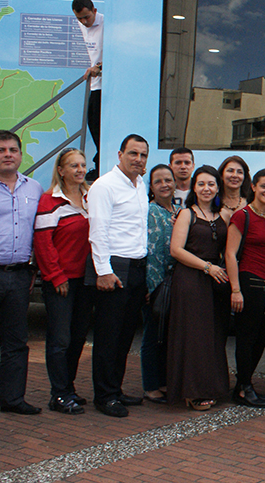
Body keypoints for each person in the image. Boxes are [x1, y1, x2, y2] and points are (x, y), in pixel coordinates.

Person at [87, 134, 149, 417]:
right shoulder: (105, 186)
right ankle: (104, 396)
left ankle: (116, 388)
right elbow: (98, 231)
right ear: (120, 154)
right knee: (108, 335)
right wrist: (104, 271)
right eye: (133, 153)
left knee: (125, 335)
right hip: (114, 267)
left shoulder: (139, 185)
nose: (138, 159)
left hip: (137, 266)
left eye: (143, 155)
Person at [165, 166, 230, 411]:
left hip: (216, 284)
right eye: (201, 184)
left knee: (213, 337)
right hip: (191, 280)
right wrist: (207, 267)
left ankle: (213, 386)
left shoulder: (222, 214)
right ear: (194, 187)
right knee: (193, 338)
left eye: (211, 184)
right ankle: (192, 391)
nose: (206, 188)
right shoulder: (186, 214)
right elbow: (176, 250)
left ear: (217, 188)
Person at [33, 148, 92, 415]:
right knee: (60, 339)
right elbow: (44, 245)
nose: (80, 170)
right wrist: (56, 276)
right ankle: (58, 394)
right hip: (62, 281)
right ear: (61, 170)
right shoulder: (49, 201)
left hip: (87, 279)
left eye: (82, 165)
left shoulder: (91, 198)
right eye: (73, 166)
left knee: (78, 337)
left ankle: (68, 388)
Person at [0, 130, 43, 415]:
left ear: (21, 155)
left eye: (13, 149)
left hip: (21, 275)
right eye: (0, 150)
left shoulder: (33, 188)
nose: (8, 154)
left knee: (15, 342)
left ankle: (12, 399)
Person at [225, 169, 265, 408]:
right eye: (264, 186)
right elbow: (229, 253)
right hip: (250, 282)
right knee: (247, 337)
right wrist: (235, 289)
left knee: (263, 337)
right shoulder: (242, 216)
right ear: (254, 187)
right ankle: (243, 388)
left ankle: (243, 383)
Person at [142, 163, 177, 404]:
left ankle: (163, 381)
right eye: (158, 181)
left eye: (168, 180)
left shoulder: (177, 210)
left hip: (173, 283)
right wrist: (151, 287)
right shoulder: (149, 211)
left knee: (166, 335)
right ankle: (150, 386)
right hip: (155, 284)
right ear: (151, 187)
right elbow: (150, 251)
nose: (164, 185)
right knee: (152, 336)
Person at [72, 0, 102, 173]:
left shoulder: (107, 23)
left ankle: (100, 162)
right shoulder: (82, 25)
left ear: (95, 11)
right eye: (79, 19)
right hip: (95, 83)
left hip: (107, 85)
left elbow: (117, 53)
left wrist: (99, 67)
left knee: (97, 125)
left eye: (87, 17)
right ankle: (98, 161)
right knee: (92, 123)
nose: (84, 22)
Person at [217, 155, 250, 223]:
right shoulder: (213, 203)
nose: (235, 175)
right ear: (221, 175)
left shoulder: (250, 203)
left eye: (240, 172)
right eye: (230, 171)